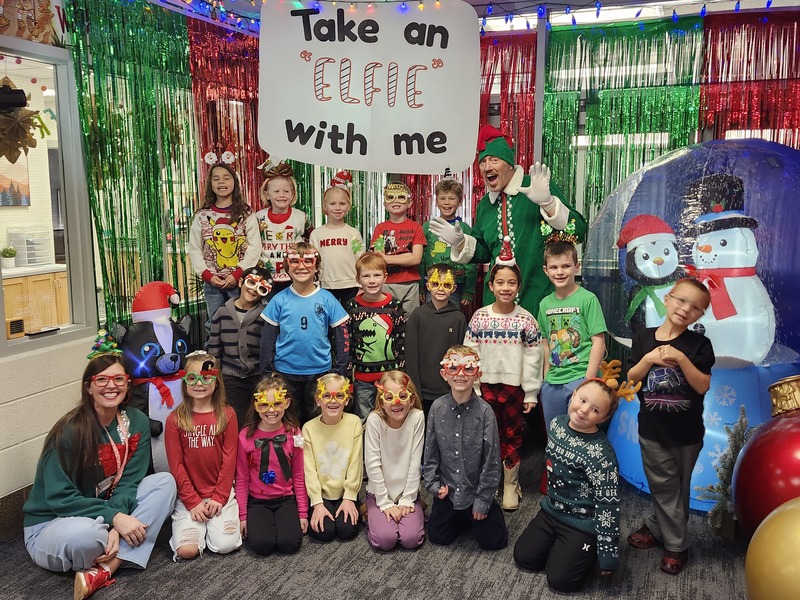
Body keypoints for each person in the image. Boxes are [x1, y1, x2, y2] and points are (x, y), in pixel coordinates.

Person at [23, 351, 177, 600]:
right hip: (55, 522)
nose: (111, 386)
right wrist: (115, 518)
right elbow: (60, 498)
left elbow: (129, 482)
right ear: (89, 387)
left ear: (128, 384)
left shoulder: (137, 422)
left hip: (104, 511)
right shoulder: (70, 430)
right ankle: (119, 549)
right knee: (89, 536)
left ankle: (107, 567)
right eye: (102, 379)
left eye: (118, 379)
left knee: (164, 483)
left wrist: (116, 523)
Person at [429, 124, 587, 317]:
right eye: (483, 162)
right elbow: (484, 251)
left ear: (509, 164)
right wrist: (461, 242)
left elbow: (578, 231)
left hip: (538, 298)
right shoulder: (485, 205)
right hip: (497, 303)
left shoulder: (535, 186)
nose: (488, 167)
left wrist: (548, 203)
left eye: (494, 160)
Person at [626, 278, 714, 576]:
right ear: (667, 298)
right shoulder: (643, 337)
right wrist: (650, 358)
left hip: (688, 434)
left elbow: (702, 385)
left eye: (695, 307)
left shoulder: (699, 345)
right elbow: (632, 378)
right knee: (664, 487)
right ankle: (677, 545)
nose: (686, 309)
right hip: (653, 431)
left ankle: (655, 526)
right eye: (681, 300)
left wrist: (681, 358)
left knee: (678, 488)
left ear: (700, 314)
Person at [514, 379, 621, 592]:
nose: (584, 410)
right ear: (573, 396)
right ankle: (562, 548)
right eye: (582, 400)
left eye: (595, 410)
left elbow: (608, 505)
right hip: (552, 511)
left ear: (603, 418)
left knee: (561, 581)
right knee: (524, 557)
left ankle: (586, 550)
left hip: (582, 522)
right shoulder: (557, 425)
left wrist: (607, 554)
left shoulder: (601, 454)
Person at [464, 257, 543, 511]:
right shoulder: (479, 317)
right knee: (487, 435)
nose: (505, 288)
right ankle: (488, 481)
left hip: (513, 389)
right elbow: (470, 352)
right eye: (500, 282)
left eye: (511, 283)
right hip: (485, 387)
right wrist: (473, 386)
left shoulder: (526, 320)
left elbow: (534, 357)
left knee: (512, 433)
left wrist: (531, 392)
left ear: (518, 286)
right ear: (491, 286)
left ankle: (510, 483)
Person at [423, 345, 508, 551]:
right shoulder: (437, 408)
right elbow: (430, 452)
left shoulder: (485, 412)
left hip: (475, 491)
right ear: (444, 373)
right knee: (438, 537)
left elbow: (492, 461)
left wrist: (483, 499)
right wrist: (433, 484)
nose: (460, 374)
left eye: (468, 368)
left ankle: (479, 511)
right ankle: (460, 517)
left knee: (494, 542)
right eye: (453, 368)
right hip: (448, 491)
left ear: (477, 375)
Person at [259, 242, 350, 424]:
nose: (301, 266)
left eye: (308, 261)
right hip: (285, 373)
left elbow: (343, 337)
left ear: (316, 267)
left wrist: (339, 370)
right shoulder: (279, 300)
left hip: (320, 374)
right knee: (291, 422)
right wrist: (267, 373)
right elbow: (267, 340)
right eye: (295, 261)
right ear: (287, 268)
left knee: (318, 422)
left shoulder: (327, 299)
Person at [164, 351, 241, 560]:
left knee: (225, 545)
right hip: (189, 495)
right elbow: (176, 465)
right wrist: (192, 501)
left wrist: (219, 496)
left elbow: (229, 459)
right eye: (192, 378)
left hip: (220, 493)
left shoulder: (227, 415)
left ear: (216, 381)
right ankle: (197, 529)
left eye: (206, 377)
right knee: (187, 551)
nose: (199, 383)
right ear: (185, 382)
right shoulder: (174, 419)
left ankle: (211, 527)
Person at [539, 239, 607, 432]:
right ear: (546, 270)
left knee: (581, 434)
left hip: (580, 377)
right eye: (554, 267)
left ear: (577, 267)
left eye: (566, 266)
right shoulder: (544, 304)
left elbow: (598, 342)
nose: (559, 272)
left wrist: (588, 381)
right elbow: (545, 342)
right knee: (555, 433)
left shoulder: (588, 299)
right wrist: (546, 376)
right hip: (553, 382)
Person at [236, 373, 308, 555]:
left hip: (286, 498)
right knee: (262, 546)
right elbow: (242, 479)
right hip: (257, 501)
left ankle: (281, 524)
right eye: (264, 405)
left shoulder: (294, 433)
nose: (271, 410)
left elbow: (298, 475)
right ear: (256, 405)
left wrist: (302, 513)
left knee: (290, 544)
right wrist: (242, 516)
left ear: (287, 403)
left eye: (277, 403)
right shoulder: (245, 436)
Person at [187, 162, 261, 337]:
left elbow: (254, 247)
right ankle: (214, 353)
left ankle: (243, 354)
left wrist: (237, 274)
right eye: (216, 178)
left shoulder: (246, 213)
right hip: (212, 282)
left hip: (240, 281)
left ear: (234, 182)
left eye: (226, 178)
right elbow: (195, 248)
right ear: (210, 184)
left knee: (242, 321)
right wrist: (207, 275)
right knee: (214, 323)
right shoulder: (202, 216)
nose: (221, 182)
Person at [364, 371, 426, 551]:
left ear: (412, 400)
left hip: (407, 493)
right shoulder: (374, 420)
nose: (396, 402)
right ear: (382, 402)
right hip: (379, 494)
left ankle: (416, 506)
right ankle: (369, 512)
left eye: (402, 396)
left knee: (411, 540)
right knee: (385, 540)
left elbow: (415, 461)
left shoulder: (417, 417)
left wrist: (408, 499)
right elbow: (372, 465)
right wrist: (384, 503)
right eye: (389, 397)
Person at [207, 266, 272, 429]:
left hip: (258, 377)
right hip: (230, 378)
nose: (254, 290)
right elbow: (214, 349)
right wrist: (215, 377)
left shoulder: (266, 315)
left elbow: (269, 348)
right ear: (241, 282)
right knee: (236, 420)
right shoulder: (221, 313)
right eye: (251, 283)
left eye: (261, 288)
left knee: (259, 418)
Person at [302, 373, 363, 543]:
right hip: (321, 494)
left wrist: (350, 497)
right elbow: (309, 470)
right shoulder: (308, 429)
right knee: (324, 532)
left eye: (339, 396)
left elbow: (356, 464)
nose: (333, 401)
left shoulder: (354, 423)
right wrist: (317, 503)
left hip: (345, 492)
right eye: (327, 395)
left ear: (347, 399)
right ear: (318, 400)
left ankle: (360, 506)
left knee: (346, 530)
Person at [345, 252, 406, 421]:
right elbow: (347, 343)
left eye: (377, 275)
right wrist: (348, 377)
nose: (372, 281)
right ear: (358, 279)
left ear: (385, 277)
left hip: (390, 378)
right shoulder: (352, 306)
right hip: (362, 379)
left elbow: (402, 340)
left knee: (390, 416)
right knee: (364, 418)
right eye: (366, 276)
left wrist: (401, 373)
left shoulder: (394, 305)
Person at [405, 263, 467, 415]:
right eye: (435, 284)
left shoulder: (458, 318)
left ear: (454, 288)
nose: (440, 288)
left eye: (446, 284)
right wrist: (415, 390)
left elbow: (461, 356)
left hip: (449, 391)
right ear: (428, 286)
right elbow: (410, 356)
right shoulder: (417, 316)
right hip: (422, 391)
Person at [255, 160, 313, 295]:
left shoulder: (301, 217)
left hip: (295, 276)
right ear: (267, 194)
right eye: (276, 191)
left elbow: (312, 239)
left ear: (292, 194)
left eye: (286, 191)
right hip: (266, 277)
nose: (281, 195)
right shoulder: (258, 218)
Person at [370, 181, 426, 316]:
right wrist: (406, 256)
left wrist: (388, 258)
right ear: (385, 204)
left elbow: (416, 259)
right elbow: (379, 259)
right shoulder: (380, 228)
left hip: (410, 284)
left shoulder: (416, 227)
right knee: (385, 320)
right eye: (390, 197)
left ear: (409, 203)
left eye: (401, 197)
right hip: (385, 283)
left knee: (409, 322)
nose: (395, 201)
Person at [309, 170, 365, 305]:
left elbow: (360, 259)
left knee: (349, 316)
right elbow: (313, 261)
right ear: (325, 206)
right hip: (325, 285)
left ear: (348, 206)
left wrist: (361, 285)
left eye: (342, 203)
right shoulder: (316, 234)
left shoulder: (353, 233)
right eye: (332, 204)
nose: (337, 208)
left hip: (351, 285)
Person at [420, 179, 477, 307]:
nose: (446, 202)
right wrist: (421, 286)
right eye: (442, 198)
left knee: (452, 315)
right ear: (436, 201)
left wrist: (468, 290)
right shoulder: (428, 227)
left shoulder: (465, 229)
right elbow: (422, 258)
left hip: (456, 284)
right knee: (431, 314)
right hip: (433, 283)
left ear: (460, 202)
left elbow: (470, 261)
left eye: (451, 198)